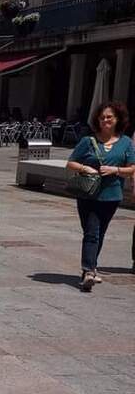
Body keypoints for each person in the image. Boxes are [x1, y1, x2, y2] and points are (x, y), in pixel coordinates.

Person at [66, 102, 135, 292]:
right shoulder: (88, 141)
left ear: (118, 120)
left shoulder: (126, 143)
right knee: (91, 232)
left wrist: (116, 169)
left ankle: (90, 269)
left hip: (111, 196)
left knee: (98, 233)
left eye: (109, 117)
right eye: (102, 117)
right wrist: (84, 167)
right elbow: (70, 163)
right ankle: (89, 270)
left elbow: (132, 169)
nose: (105, 120)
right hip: (88, 194)